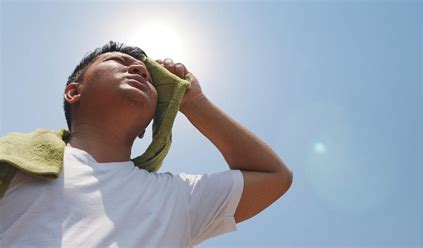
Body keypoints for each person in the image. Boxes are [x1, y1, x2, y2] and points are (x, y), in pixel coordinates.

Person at [0, 41, 293, 247]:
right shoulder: (14, 160)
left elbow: (274, 176)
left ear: (147, 128)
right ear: (74, 92)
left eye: (149, 77)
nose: (139, 71)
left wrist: (194, 102)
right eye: (119, 62)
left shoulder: (177, 199)